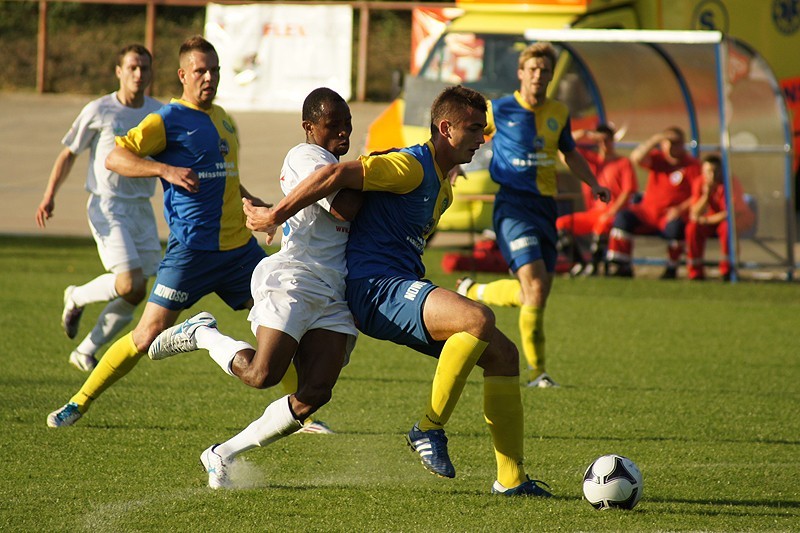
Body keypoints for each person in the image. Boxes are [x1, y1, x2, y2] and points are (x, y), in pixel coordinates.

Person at [243, 85, 553, 497]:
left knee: (503, 355)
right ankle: (428, 429)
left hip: (402, 285)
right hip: (375, 289)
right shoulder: (411, 166)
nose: (483, 139)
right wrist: (274, 214)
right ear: (446, 128)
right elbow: (334, 174)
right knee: (478, 319)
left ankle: (511, 480)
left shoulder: (443, 184)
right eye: (475, 129)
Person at [45, 35, 284, 430]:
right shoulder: (167, 120)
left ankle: (300, 409)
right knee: (147, 334)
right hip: (191, 251)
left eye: (215, 70)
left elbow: (227, 180)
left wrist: (259, 207)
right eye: (200, 71)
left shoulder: (225, 118)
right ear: (182, 75)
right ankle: (78, 402)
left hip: (239, 252)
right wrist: (165, 170)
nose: (209, 77)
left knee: (279, 319)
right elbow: (115, 156)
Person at [144, 88, 360, 489]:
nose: (343, 133)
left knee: (316, 392)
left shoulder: (340, 166)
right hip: (296, 279)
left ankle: (221, 452)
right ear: (309, 127)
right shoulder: (306, 156)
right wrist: (381, 173)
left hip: (334, 288)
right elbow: (348, 207)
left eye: (347, 124)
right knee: (262, 374)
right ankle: (202, 334)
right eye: (334, 125)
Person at [457, 43, 610, 389]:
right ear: (521, 73)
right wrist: (453, 166)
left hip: (546, 208)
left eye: (545, 71)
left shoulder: (559, 111)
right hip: (512, 205)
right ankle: (536, 373)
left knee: (534, 295)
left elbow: (569, 153)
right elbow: (469, 135)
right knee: (536, 286)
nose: (539, 76)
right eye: (533, 69)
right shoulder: (500, 109)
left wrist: (594, 183)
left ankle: (476, 289)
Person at [35, 44, 163, 372]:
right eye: (132, 67)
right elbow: (69, 153)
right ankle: (76, 295)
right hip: (108, 206)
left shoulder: (159, 112)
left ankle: (85, 350)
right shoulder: (101, 110)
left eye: (144, 68)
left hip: (141, 209)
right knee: (127, 283)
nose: (138, 74)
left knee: (137, 292)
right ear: (119, 72)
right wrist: (50, 195)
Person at [606, 126, 701, 278]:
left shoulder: (692, 165)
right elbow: (636, 157)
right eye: (667, 142)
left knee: (676, 227)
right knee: (623, 218)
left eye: (675, 142)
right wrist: (657, 138)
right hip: (648, 212)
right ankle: (620, 265)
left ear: (683, 144)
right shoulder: (658, 159)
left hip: (669, 215)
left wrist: (680, 209)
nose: (671, 146)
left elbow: (698, 194)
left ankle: (671, 268)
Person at [555, 124, 637, 276]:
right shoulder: (591, 160)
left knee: (602, 225)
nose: (604, 144)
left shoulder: (623, 163)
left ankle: (593, 266)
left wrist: (611, 212)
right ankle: (579, 263)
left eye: (607, 139)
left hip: (612, 213)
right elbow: (563, 148)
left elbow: (628, 191)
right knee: (561, 224)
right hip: (594, 212)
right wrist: (585, 133)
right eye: (601, 140)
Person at [685, 153, 755, 281]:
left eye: (715, 171)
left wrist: (706, 220)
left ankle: (727, 270)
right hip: (711, 221)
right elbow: (694, 212)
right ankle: (695, 271)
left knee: (727, 228)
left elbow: (731, 213)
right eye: (708, 172)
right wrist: (706, 195)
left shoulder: (731, 182)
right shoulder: (699, 182)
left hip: (737, 221)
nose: (711, 175)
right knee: (692, 228)